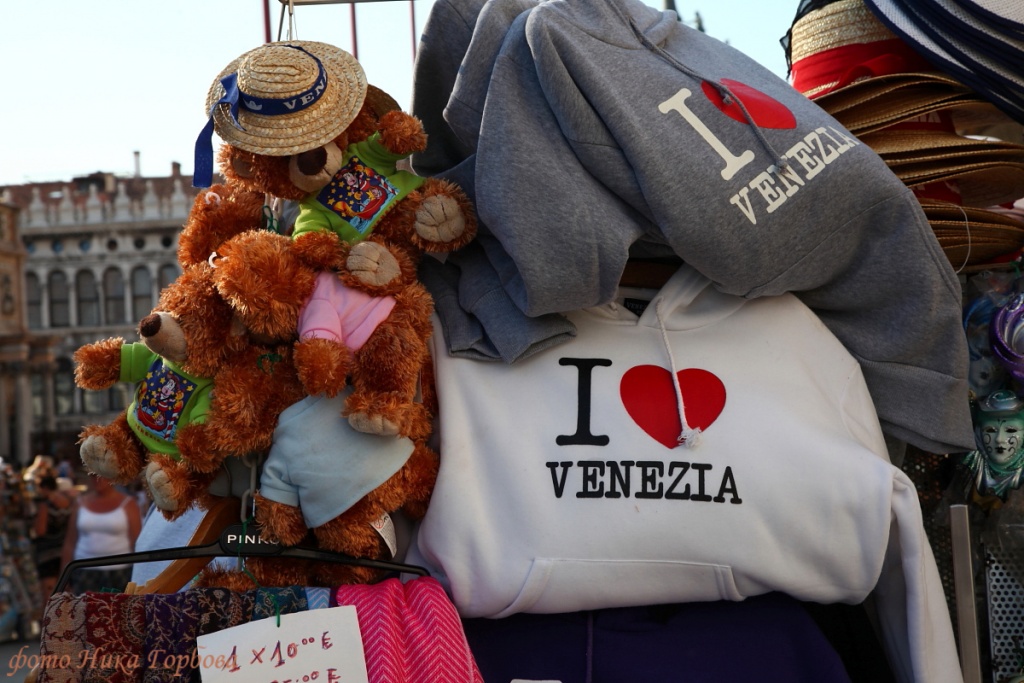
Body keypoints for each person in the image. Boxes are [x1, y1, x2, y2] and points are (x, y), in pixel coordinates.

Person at [60, 474, 141, 594]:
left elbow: (137, 542)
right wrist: (63, 578)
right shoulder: (80, 503)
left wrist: (140, 575)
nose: (98, 480)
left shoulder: (128, 503)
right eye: (93, 476)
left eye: (102, 475)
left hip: (119, 571)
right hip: (84, 569)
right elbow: (70, 541)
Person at [32, 475, 73, 598]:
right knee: (66, 594)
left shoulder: (45, 505)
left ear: (45, 488)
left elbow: (40, 530)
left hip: (47, 553)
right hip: (66, 552)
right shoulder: (69, 502)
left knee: (50, 595)